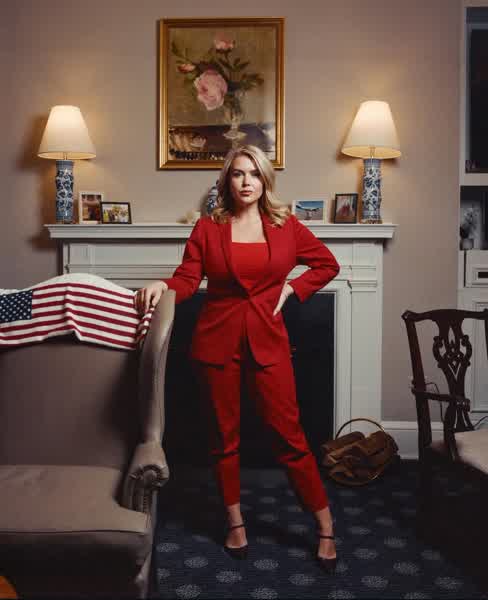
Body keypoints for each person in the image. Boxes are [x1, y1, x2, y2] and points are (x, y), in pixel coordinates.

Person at [134, 145, 340, 572]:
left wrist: (293, 289)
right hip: (217, 342)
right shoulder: (208, 227)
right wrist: (164, 285)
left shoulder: (286, 225)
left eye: (255, 174)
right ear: (227, 180)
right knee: (224, 439)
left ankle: (324, 525)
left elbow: (326, 265)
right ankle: (235, 523)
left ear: (265, 181)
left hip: (268, 341)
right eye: (238, 173)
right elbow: (189, 277)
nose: (247, 182)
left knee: (291, 437)